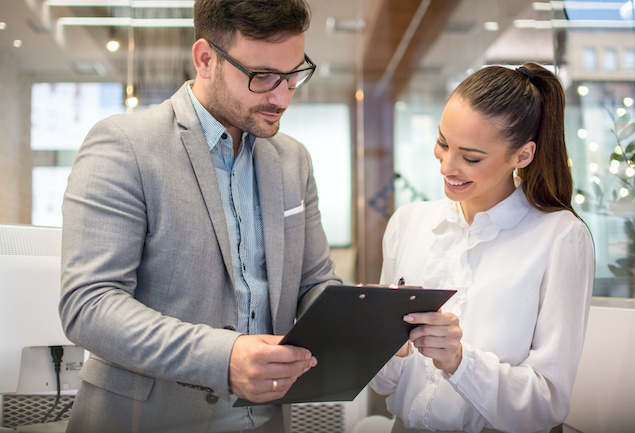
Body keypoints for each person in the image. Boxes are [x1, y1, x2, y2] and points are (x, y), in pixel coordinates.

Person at [59, 1, 341, 432]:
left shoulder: (292, 160)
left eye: (293, 75)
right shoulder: (125, 145)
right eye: (262, 76)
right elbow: (89, 304)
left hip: (266, 421)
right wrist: (224, 357)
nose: (282, 96)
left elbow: (314, 283)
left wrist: (365, 320)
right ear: (206, 59)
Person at [370, 63, 594, 433]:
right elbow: (385, 384)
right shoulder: (408, 222)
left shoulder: (560, 237)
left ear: (522, 156)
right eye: (443, 143)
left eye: (471, 158)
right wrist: (388, 342)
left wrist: (460, 361)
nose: (447, 166)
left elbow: (549, 400)